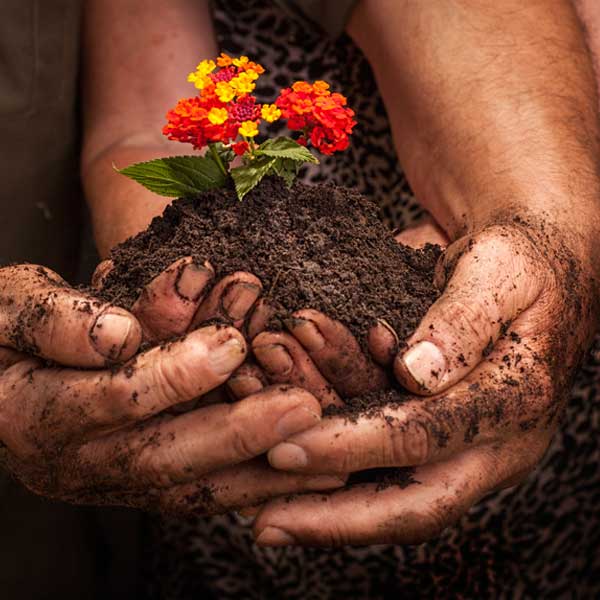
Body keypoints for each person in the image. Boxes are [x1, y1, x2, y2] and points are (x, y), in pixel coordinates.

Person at [2, 0, 600, 598]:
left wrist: (538, 211)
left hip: (501, 289)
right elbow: (141, 121)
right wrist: (176, 283)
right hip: (233, 493)